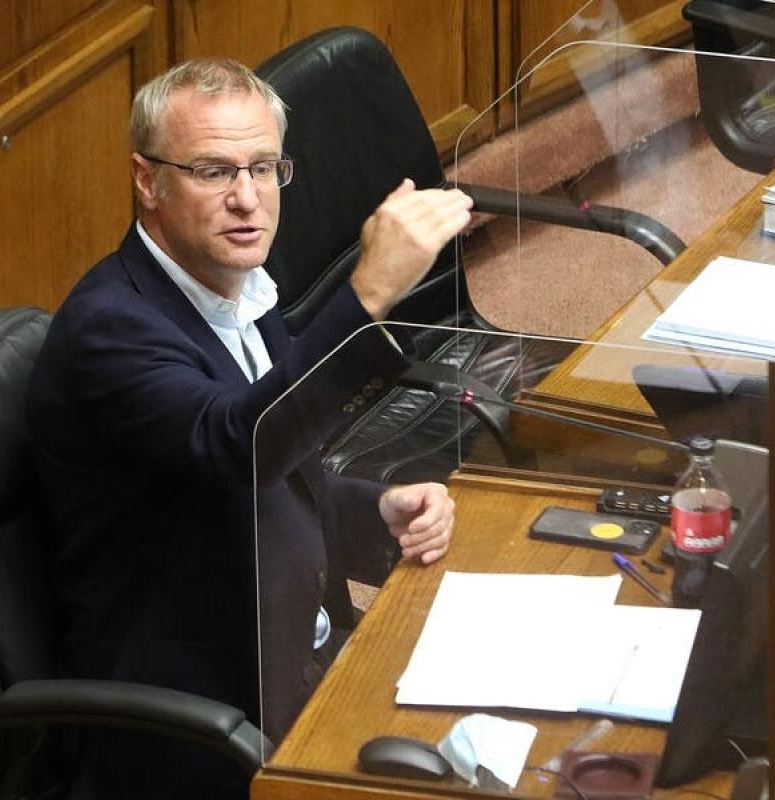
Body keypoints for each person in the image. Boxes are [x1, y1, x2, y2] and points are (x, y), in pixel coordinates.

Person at [26, 56, 472, 799]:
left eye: (263, 169)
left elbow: (270, 477)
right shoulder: (111, 331)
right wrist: (367, 294)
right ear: (147, 180)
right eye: (213, 172)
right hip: (208, 726)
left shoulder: (235, 287)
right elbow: (241, 446)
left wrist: (375, 512)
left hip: (300, 656)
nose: (247, 199)